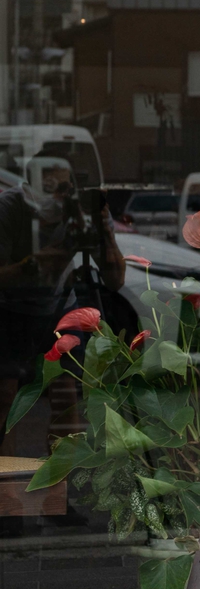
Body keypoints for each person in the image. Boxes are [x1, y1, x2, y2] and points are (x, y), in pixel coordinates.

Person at [0, 159, 126, 456]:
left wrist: (102, 230)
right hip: (9, 307)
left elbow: (115, 280)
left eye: (64, 189)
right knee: (5, 398)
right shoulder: (10, 208)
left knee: (67, 395)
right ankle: (5, 487)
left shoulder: (83, 212)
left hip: (58, 305)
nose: (57, 198)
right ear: (28, 188)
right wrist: (36, 264)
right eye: (49, 189)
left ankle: (61, 487)